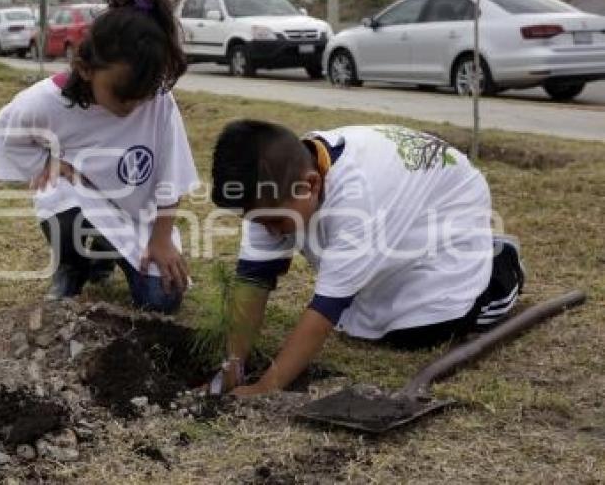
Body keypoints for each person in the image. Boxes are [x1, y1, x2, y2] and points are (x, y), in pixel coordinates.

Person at [207, 121, 525, 395]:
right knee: (366, 314)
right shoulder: (271, 188)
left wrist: (266, 386)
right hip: (398, 207)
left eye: (276, 223)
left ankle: (498, 263)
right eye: (259, 222)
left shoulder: (359, 200)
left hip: (449, 208)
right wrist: (234, 363)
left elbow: (326, 310)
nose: (272, 233)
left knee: (421, 328)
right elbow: (253, 278)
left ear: (312, 184)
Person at [0, 0, 196, 313]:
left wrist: (161, 238)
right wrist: (46, 161)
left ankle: (106, 249)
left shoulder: (159, 101)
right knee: (57, 191)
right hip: (80, 200)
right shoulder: (45, 102)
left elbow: (172, 172)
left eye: (143, 93)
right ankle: (72, 265)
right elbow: (4, 134)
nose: (133, 105)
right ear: (85, 70)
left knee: (162, 299)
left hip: (136, 217)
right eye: (122, 94)